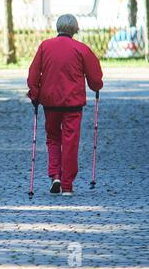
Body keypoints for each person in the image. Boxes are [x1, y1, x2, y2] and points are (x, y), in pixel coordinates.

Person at [27, 14, 103, 196]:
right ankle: (67, 185)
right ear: (75, 29)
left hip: (50, 102)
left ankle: (55, 176)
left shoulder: (45, 46)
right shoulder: (82, 49)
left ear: (57, 27)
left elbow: (33, 74)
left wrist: (35, 95)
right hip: (73, 104)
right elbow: (95, 78)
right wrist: (96, 86)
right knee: (70, 142)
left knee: (53, 138)